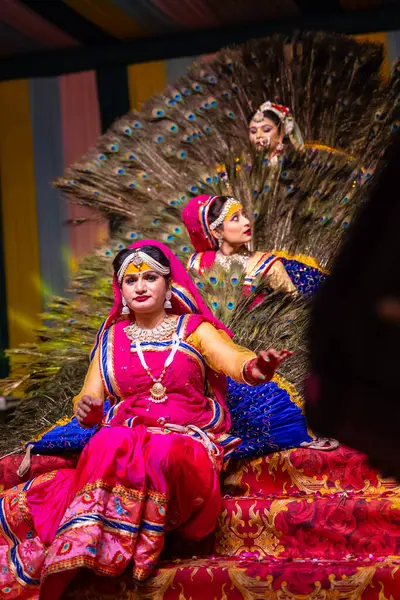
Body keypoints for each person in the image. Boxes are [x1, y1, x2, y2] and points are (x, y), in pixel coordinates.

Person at [0, 240, 292, 598]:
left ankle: (130, 551)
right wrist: (89, 411)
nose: (140, 286)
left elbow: (235, 363)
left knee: (160, 451)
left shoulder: (195, 330)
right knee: (109, 440)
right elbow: (90, 399)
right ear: (120, 291)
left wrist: (258, 367)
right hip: (126, 440)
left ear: (169, 286)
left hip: (186, 444)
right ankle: (86, 551)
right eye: (131, 280)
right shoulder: (110, 339)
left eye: (151, 277)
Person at [182, 194, 337, 455]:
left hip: (264, 344)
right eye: (235, 218)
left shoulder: (266, 265)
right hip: (213, 348)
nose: (246, 222)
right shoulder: (196, 265)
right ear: (217, 231)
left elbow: (296, 308)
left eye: (244, 215)